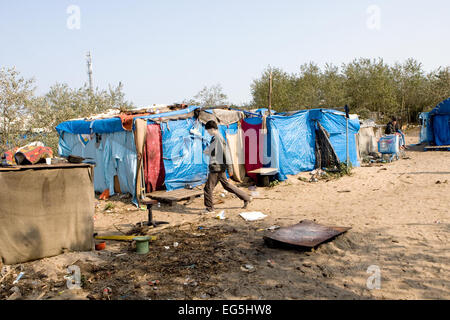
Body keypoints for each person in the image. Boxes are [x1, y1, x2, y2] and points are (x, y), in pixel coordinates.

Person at [203, 120, 251, 213]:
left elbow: (226, 153)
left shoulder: (218, 138)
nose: (208, 133)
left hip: (216, 168)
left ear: (212, 129)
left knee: (208, 188)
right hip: (218, 167)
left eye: (208, 131)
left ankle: (209, 208)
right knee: (227, 186)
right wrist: (209, 152)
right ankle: (246, 197)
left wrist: (230, 168)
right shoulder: (215, 138)